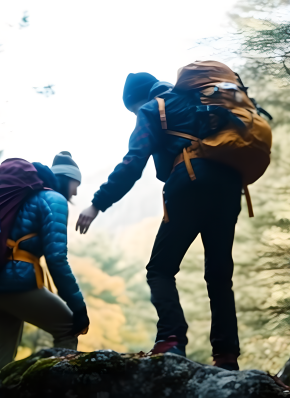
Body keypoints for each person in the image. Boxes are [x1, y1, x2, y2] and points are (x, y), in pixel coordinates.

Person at [76, 68, 245, 370]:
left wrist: (97, 204)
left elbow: (133, 162)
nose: (136, 115)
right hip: (230, 184)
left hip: (189, 184)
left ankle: (171, 339)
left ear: (138, 101)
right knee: (219, 274)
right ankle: (226, 355)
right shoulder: (197, 98)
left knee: (160, 270)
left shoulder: (154, 109)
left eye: (133, 110)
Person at [0, 151, 89, 373]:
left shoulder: (15, 199)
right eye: (75, 184)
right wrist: (78, 307)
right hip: (17, 283)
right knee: (68, 328)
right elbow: (56, 258)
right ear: (65, 180)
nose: (76, 191)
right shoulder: (53, 199)